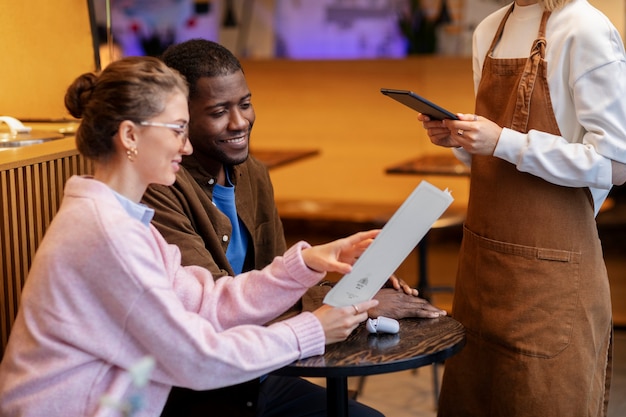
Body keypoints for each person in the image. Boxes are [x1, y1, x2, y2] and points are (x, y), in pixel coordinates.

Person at [0, 56, 383, 417]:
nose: (186, 146)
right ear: (130, 135)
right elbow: (196, 358)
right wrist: (311, 330)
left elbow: (207, 303)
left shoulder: (121, 220)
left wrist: (306, 263)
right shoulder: (105, 234)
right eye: (178, 130)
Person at [141, 38, 447, 416]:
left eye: (245, 104)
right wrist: (352, 304)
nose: (239, 122)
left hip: (261, 374)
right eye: (219, 111)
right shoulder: (159, 189)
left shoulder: (252, 173)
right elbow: (217, 308)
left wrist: (356, 287)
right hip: (200, 389)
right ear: (180, 118)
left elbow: (278, 281)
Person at [418, 0, 626, 415]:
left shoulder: (584, 27)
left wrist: (503, 142)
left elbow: (615, 163)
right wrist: (463, 139)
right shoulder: (489, 30)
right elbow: (499, 158)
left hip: (551, 284)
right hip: (482, 274)